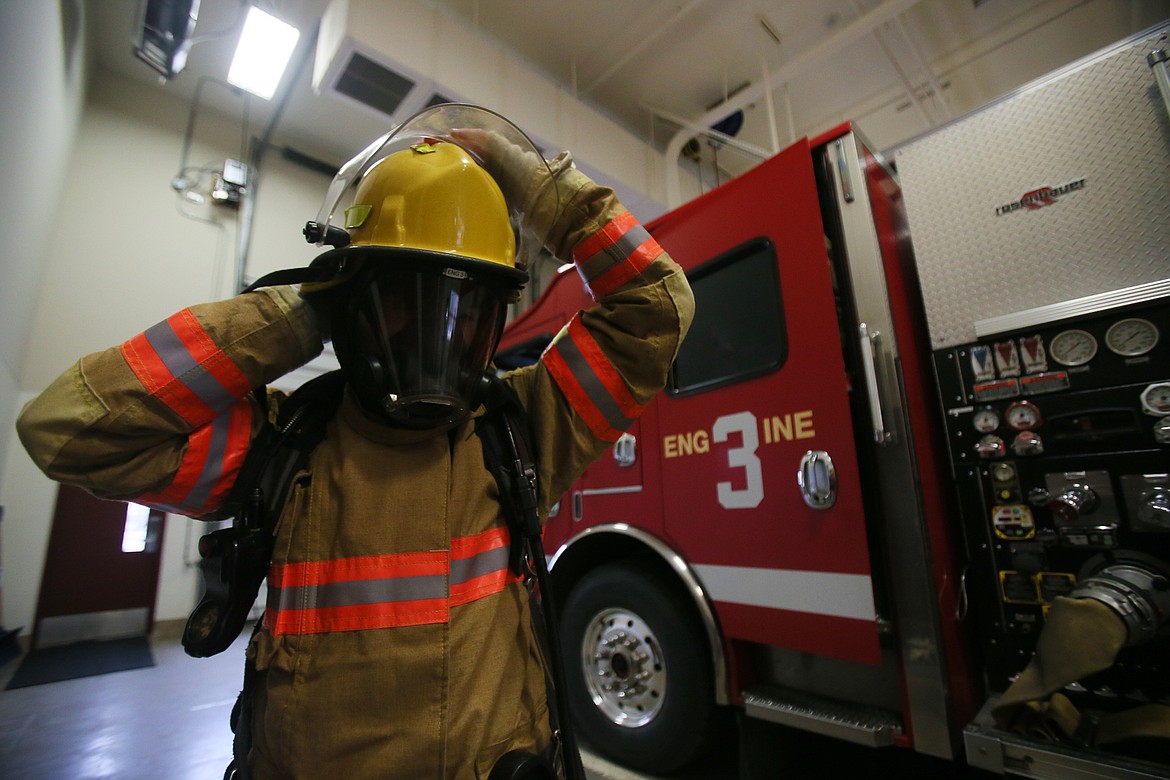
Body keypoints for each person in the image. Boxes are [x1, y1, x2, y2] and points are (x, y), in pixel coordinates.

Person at [15, 104, 694, 778]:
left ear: (494, 318)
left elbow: (657, 306)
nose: (438, 336)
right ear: (351, 304)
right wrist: (294, 315)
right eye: (404, 300)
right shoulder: (282, 445)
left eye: (465, 309)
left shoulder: (523, 431)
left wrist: (546, 190)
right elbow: (72, 429)